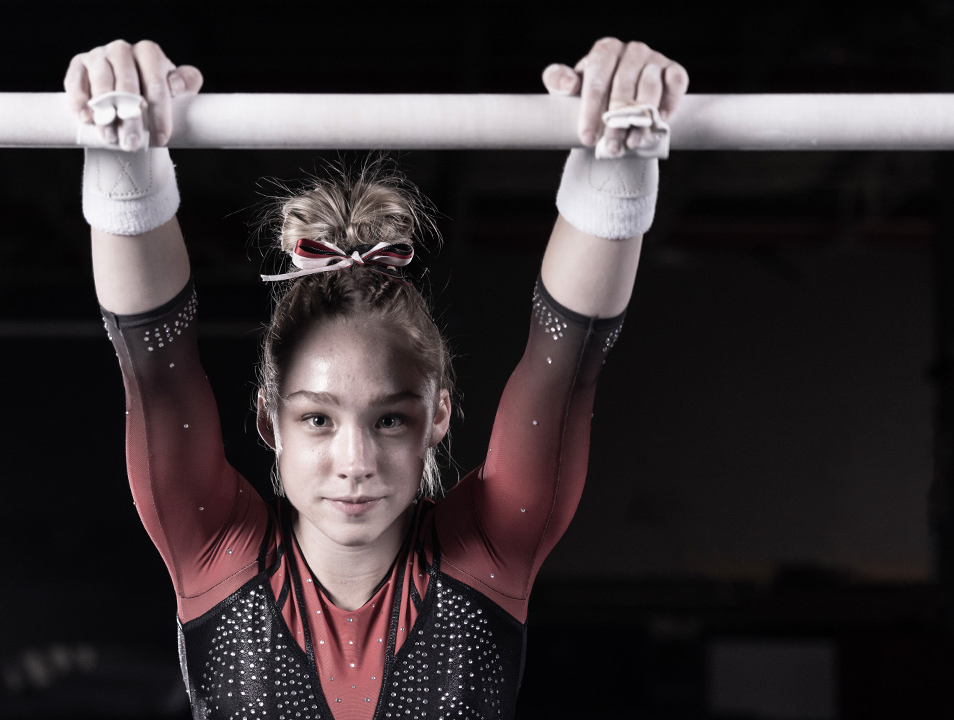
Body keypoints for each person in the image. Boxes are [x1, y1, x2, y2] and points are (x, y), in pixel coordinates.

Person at [65, 37, 687, 719]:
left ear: (437, 415)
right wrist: (124, 155)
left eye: (389, 418)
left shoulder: (486, 550)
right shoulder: (216, 548)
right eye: (317, 418)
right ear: (270, 418)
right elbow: (155, 367)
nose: (355, 462)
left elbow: (565, 365)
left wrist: (615, 161)